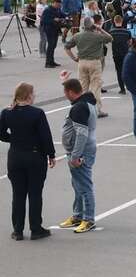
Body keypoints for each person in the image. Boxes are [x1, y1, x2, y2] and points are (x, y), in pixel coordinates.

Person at [1, 83, 55, 241]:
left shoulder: (6, 112)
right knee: (35, 194)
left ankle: (17, 230)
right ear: (28, 95)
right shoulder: (37, 113)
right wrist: (50, 154)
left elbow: (1, 132)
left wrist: (13, 139)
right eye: (33, 93)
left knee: (18, 194)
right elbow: (46, 136)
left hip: (15, 156)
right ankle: (36, 228)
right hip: (34, 156)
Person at [57, 78, 98, 234]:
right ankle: (78, 215)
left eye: (65, 92)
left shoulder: (79, 108)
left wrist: (75, 156)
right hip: (82, 149)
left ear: (71, 92)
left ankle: (88, 219)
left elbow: (81, 134)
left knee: (85, 186)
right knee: (77, 184)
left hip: (81, 151)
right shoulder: (86, 102)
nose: (65, 95)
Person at [64, 17, 112, 118]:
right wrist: (100, 29)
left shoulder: (77, 36)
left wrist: (74, 58)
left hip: (82, 62)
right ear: (93, 25)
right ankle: (96, 109)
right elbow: (110, 38)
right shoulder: (97, 36)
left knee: (82, 86)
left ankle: (81, 108)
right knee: (95, 87)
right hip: (94, 62)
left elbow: (67, 47)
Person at [109, 15, 131, 95]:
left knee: (119, 71)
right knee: (126, 70)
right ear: (122, 21)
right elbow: (129, 42)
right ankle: (129, 86)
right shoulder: (127, 31)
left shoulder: (111, 32)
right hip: (125, 53)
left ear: (114, 21)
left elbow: (109, 40)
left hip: (116, 54)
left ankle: (122, 89)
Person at [41, 0, 64, 68]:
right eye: (57, 4)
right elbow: (44, 21)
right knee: (51, 46)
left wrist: (67, 15)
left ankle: (52, 61)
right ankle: (48, 63)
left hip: (56, 29)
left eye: (59, 5)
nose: (58, 6)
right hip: (49, 30)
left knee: (54, 45)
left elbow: (62, 14)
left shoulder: (58, 9)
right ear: (53, 3)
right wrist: (54, 20)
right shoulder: (47, 10)